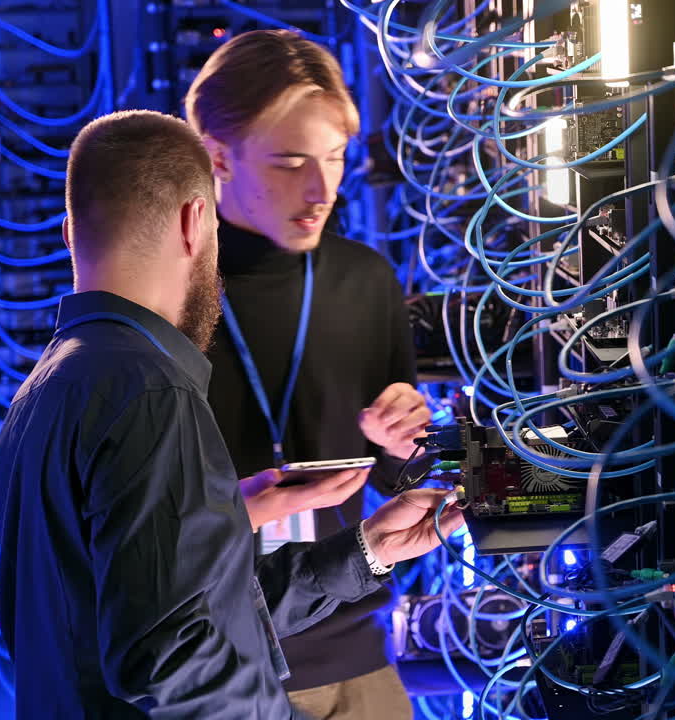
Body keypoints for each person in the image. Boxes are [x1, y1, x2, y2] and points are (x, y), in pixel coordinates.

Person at [0, 110, 465, 718]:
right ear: (194, 222)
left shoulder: (48, 386)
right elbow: (170, 659)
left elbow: (191, 616)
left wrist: (366, 552)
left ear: (68, 233)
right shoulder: (151, 389)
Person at [184, 30, 433, 718]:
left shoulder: (365, 281)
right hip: (212, 671)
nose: (322, 189)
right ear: (217, 158)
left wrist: (404, 444)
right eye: (291, 162)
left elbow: (394, 480)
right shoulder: (167, 292)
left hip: (354, 655)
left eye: (335, 157)